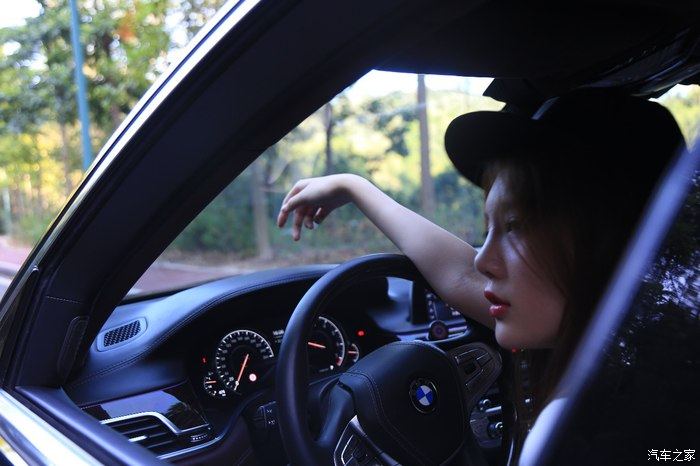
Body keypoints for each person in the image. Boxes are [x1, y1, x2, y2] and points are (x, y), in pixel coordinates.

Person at [276, 89, 686, 463]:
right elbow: (459, 274)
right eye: (488, 228)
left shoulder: (595, 436)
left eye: (515, 226)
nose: (482, 260)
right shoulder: (640, 350)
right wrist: (354, 187)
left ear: (604, 239)